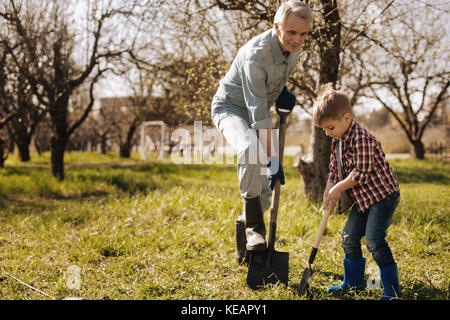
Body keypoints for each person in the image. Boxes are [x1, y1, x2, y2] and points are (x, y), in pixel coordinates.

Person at [211, 1, 312, 264]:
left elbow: (275, 83)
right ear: (276, 26)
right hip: (231, 109)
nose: (297, 40)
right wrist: (273, 158)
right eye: (291, 32)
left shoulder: (294, 49)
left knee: (266, 190)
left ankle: (245, 236)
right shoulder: (257, 56)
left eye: (303, 34)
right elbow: (258, 115)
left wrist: (282, 93)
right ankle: (255, 228)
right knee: (250, 149)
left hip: (259, 112)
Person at [313, 83, 402, 300]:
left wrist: (338, 188)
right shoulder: (338, 140)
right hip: (363, 200)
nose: (327, 133)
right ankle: (353, 282)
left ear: (346, 117)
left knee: (373, 240)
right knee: (349, 237)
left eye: (330, 128)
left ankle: (392, 291)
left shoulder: (362, 138)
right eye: (324, 129)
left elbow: (361, 172)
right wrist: (328, 191)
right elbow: (335, 169)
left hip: (382, 197)